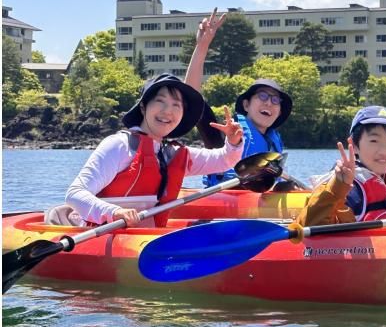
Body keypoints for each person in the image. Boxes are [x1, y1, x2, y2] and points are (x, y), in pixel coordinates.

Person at [46, 74, 244, 228]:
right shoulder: (119, 146)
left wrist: (234, 142)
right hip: (100, 234)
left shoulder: (173, 153)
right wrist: (114, 212)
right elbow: (74, 194)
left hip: (144, 237)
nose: (168, 111)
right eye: (160, 101)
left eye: (176, 105)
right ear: (143, 107)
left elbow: (224, 160)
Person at [184, 9, 294, 188]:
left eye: (275, 100)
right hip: (223, 209)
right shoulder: (224, 135)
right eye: (263, 96)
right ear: (246, 104)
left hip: (262, 210)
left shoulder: (274, 142)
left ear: (279, 111)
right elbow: (191, 97)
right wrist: (202, 46)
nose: (269, 103)